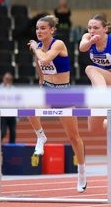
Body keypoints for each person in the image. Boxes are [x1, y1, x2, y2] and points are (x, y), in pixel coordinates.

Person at [26, 15, 87, 192]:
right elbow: (40, 64)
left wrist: (35, 48)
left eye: (43, 28)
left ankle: (81, 171)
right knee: (29, 108)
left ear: (52, 30)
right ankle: (41, 136)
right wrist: (41, 78)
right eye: (37, 28)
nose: (39, 31)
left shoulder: (58, 44)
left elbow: (45, 59)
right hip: (47, 89)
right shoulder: (39, 47)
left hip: (63, 93)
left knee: (73, 137)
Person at [0, 72, 17, 144]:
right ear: (3, 79)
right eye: (6, 79)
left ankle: (12, 148)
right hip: (2, 114)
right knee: (3, 132)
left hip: (12, 114)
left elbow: (18, 102)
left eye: (10, 79)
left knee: (13, 132)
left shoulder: (14, 89)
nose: (8, 81)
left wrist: (17, 116)